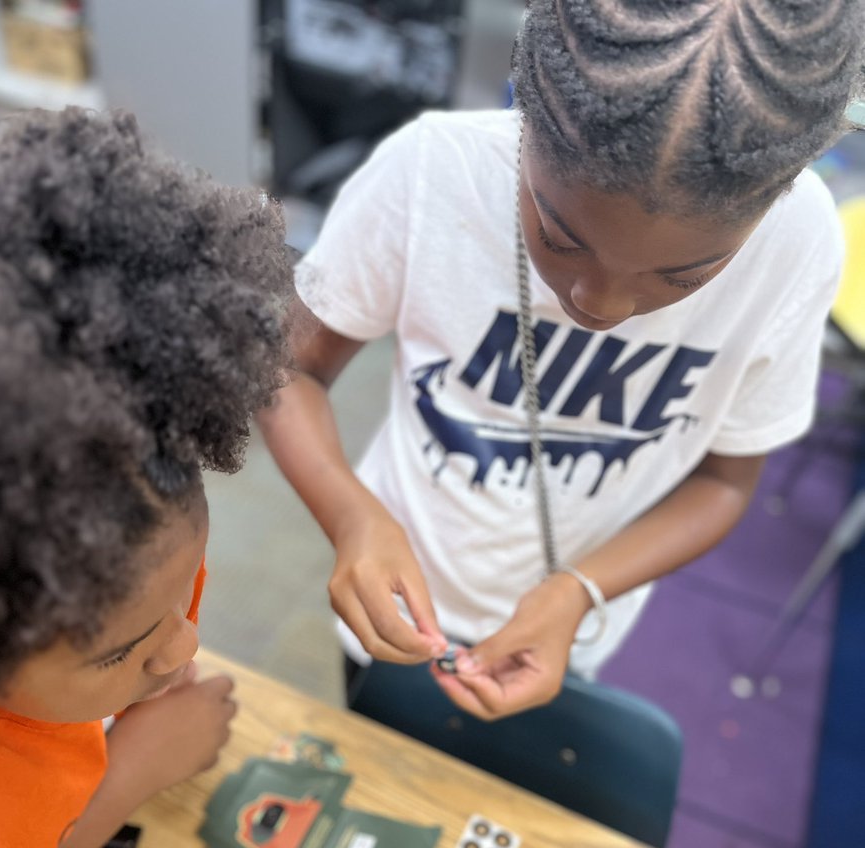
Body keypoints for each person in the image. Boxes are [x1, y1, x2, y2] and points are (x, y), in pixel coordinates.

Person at [260, 0, 863, 721]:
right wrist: (350, 514)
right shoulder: (432, 171)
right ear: (525, 117)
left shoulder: (797, 249)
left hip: (580, 621)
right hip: (389, 593)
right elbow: (289, 370)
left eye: (679, 277)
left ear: (775, 199)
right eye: (560, 236)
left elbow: (726, 484)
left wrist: (578, 591)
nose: (600, 305)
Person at [0, 107, 291, 848]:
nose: (184, 647)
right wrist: (123, 783)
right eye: (126, 650)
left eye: (180, 595)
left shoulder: (111, 563)